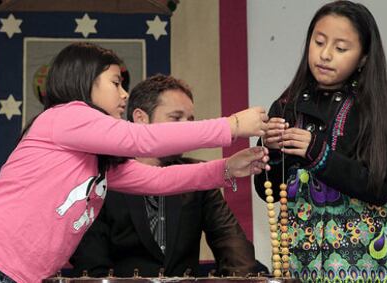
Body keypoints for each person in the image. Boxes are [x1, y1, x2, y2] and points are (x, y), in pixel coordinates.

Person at [0, 42, 270, 283]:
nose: (124, 93)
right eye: (115, 83)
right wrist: (231, 126)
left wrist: (225, 169)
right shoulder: (66, 116)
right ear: (84, 80)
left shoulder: (98, 159)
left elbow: (158, 180)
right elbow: (142, 140)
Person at [254, 1, 387, 282]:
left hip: (362, 260)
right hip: (299, 254)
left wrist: (318, 154)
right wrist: (270, 152)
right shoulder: (287, 105)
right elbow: (267, 191)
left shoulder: (379, 108)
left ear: (363, 58)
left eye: (341, 48)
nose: (325, 54)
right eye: (318, 41)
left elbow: (380, 187)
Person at [69, 74, 259, 278]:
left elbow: (232, 244)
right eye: (176, 118)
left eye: (191, 120)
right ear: (140, 118)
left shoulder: (200, 176)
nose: (188, 128)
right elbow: (91, 265)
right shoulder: (104, 178)